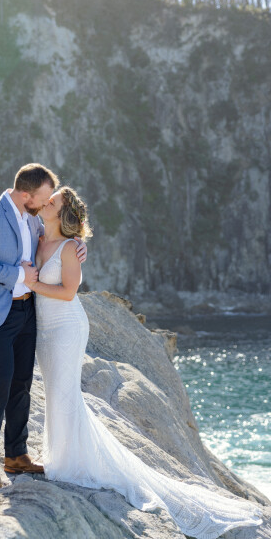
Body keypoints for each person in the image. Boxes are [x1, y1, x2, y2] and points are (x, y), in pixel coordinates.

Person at [25, 185, 263, 539]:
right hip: (44, 330)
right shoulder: (38, 234)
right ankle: (61, 457)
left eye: (52, 201)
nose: (45, 202)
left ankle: (70, 464)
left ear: (61, 213)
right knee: (55, 392)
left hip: (67, 327)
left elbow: (69, 291)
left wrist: (32, 283)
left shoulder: (69, 249)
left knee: (65, 392)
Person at [0, 164, 87, 489]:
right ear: (26, 194)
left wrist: (79, 243)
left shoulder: (32, 219)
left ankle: (16, 455)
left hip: (28, 311)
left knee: (21, 385)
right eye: (43, 199)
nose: (45, 205)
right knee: (1, 383)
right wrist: (19, 275)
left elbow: (58, 239)